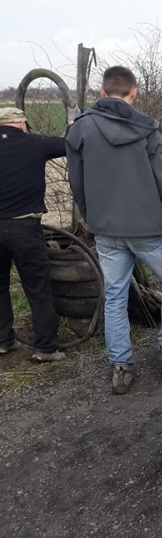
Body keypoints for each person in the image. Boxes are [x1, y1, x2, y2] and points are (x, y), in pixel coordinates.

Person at [66, 66, 162, 395]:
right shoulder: (149, 128)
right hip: (147, 227)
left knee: (114, 294)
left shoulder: (81, 129)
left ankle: (121, 367)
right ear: (134, 92)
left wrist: (91, 218)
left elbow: (76, 183)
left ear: (101, 91)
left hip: (106, 228)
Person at [0, 107, 70, 363]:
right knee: (37, 288)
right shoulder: (35, 143)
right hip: (25, 229)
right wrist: (73, 123)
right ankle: (46, 349)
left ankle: (4, 341)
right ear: (21, 124)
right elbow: (68, 144)